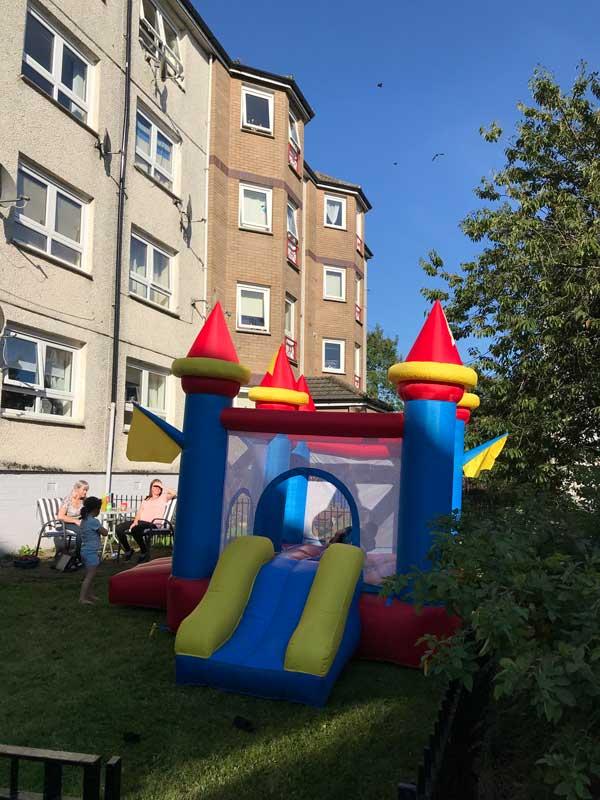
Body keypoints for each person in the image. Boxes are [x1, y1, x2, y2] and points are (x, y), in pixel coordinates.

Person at [115, 479, 176, 563]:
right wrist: (135, 521)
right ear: (151, 487)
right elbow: (139, 512)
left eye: (159, 487)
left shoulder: (163, 497)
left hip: (153, 523)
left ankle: (144, 552)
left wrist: (162, 486)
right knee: (119, 528)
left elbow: (174, 493)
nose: (157, 488)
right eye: (155, 486)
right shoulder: (146, 499)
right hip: (141, 522)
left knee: (135, 530)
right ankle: (128, 550)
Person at [78, 496, 107, 604]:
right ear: (96, 509)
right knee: (90, 576)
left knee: (89, 575)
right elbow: (105, 532)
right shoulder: (93, 521)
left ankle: (90, 595)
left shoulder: (84, 520)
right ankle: (82, 598)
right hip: (91, 553)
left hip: (84, 551)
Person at [56, 480, 89, 559]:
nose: (85, 492)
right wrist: (75, 521)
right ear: (77, 489)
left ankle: (89, 553)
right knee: (81, 531)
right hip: (66, 523)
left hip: (79, 522)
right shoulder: (68, 499)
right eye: (84, 490)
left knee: (91, 528)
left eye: (86, 490)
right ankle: (78, 556)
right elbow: (60, 516)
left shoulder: (84, 500)